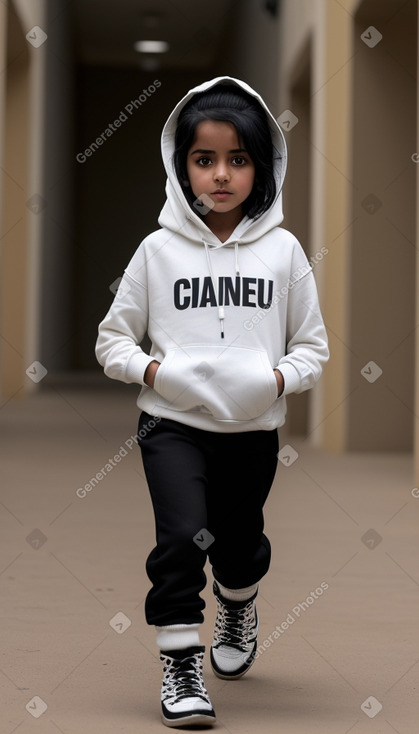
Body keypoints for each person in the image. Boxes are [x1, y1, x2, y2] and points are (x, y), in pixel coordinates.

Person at [95, 76, 329, 728]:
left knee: (237, 544)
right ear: (182, 167)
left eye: (237, 159)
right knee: (179, 537)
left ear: (262, 166)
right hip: (170, 424)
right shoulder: (157, 252)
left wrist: (275, 382)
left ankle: (237, 599)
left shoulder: (283, 254)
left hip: (252, 431)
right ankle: (179, 662)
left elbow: (312, 349)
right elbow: (112, 341)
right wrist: (156, 372)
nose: (220, 175)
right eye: (204, 160)